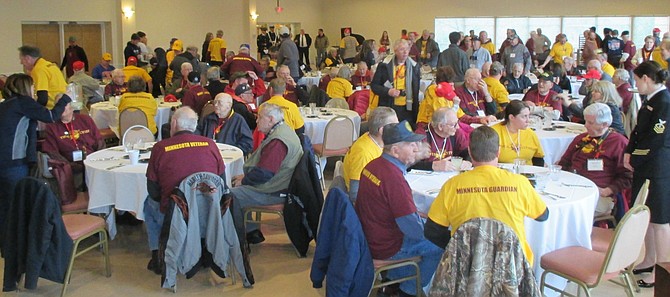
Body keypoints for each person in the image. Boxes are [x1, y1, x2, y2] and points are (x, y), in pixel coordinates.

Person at [425, 125, 549, 266]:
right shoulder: (520, 183)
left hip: (468, 267)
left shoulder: (453, 185)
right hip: (513, 265)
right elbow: (543, 215)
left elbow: (432, 231)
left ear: (470, 152)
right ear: (499, 152)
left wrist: (461, 246)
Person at [355, 120, 444, 297]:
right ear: (395, 150)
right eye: (411, 145)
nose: (416, 149)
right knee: (440, 245)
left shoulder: (374, 165)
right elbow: (413, 229)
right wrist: (436, 230)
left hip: (369, 235)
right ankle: (408, 290)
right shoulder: (394, 180)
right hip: (386, 246)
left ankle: (393, 282)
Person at [144, 106, 225, 274]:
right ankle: (203, 243)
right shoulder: (210, 144)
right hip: (207, 211)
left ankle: (159, 254)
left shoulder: (160, 148)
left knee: (148, 204)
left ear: (173, 123)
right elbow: (221, 181)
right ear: (194, 126)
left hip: (175, 213)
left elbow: (153, 191)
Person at [0, 74, 71, 236]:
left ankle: (7, 242)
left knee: (6, 205)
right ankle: (20, 242)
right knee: (19, 203)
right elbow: (51, 116)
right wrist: (66, 98)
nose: (35, 90)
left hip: (3, 160)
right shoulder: (23, 103)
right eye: (33, 86)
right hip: (15, 162)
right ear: (25, 87)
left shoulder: (5, 105)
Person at [624, 61, 670, 288]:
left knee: (661, 221)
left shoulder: (664, 101)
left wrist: (635, 157)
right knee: (648, 217)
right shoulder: (650, 100)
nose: (636, 84)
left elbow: (656, 138)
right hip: (645, 164)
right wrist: (628, 150)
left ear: (647, 79)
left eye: (638, 79)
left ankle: (662, 271)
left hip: (658, 167)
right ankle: (650, 259)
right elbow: (637, 130)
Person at [229, 103, 303, 244]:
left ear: (270, 119)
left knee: (230, 195)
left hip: (275, 191)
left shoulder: (277, 142)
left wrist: (244, 181)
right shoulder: (284, 130)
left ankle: (237, 240)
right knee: (239, 187)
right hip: (281, 183)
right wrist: (246, 177)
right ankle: (252, 232)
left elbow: (264, 174)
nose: (256, 121)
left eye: (259, 118)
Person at [559, 103, 631, 220]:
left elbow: (628, 176)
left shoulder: (619, 143)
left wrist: (608, 190)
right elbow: (564, 163)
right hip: (571, 188)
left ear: (605, 124)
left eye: (591, 123)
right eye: (586, 121)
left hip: (598, 194)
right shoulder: (581, 138)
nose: (586, 126)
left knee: (568, 212)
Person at [42, 100, 104, 189]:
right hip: (71, 168)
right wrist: (69, 166)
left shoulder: (85, 120)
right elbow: (52, 152)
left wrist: (98, 161)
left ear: (72, 107)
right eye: (58, 105)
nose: (60, 107)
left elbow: (99, 142)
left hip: (93, 164)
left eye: (64, 104)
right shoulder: (52, 126)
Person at [343, 107, 398, 201]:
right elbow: (355, 194)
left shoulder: (374, 140)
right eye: (395, 125)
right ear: (382, 130)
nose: (398, 128)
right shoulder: (363, 153)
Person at [371, 39, 420, 126]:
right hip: (389, 107)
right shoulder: (384, 65)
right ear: (395, 51)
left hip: (408, 108)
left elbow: (416, 91)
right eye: (402, 49)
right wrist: (388, 91)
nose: (405, 52)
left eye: (407, 49)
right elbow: (374, 86)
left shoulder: (414, 66)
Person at [413, 108, 471, 172]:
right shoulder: (421, 135)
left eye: (457, 123)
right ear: (440, 126)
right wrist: (433, 165)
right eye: (453, 125)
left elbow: (469, 153)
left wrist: (468, 162)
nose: (457, 127)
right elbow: (408, 163)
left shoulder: (456, 133)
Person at [491, 100, 545, 166]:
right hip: (502, 173)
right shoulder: (494, 132)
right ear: (511, 117)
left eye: (528, 116)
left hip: (527, 173)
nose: (528, 120)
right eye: (524, 116)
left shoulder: (530, 134)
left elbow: (539, 160)